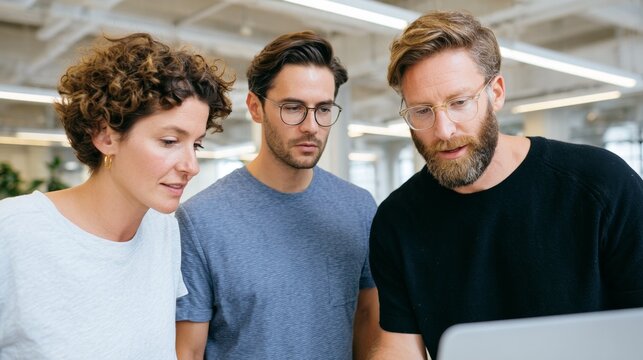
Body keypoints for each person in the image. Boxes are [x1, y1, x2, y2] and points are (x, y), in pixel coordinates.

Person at [368, 10, 643, 360]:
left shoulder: (602, 184)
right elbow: (399, 348)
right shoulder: (397, 220)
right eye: (422, 111)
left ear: (495, 93)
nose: (443, 130)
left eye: (459, 103)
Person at [0, 33, 232, 359]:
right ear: (105, 136)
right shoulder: (12, 232)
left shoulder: (164, 230)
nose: (191, 166)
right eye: (169, 141)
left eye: (195, 145)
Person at [175, 31, 380, 359]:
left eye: (323, 110)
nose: (311, 125)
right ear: (256, 107)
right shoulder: (200, 221)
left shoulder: (359, 208)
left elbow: (369, 320)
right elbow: (188, 351)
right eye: (293, 107)